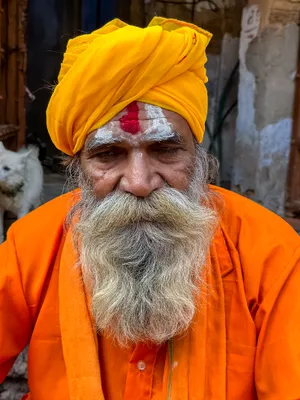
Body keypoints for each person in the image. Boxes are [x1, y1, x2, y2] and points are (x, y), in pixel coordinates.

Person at [1, 17, 300, 400]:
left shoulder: (271, 253)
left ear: (198, 156)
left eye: (165, 149)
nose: (140, 182)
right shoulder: (33, 244)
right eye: (109, 154)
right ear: (77, 167)